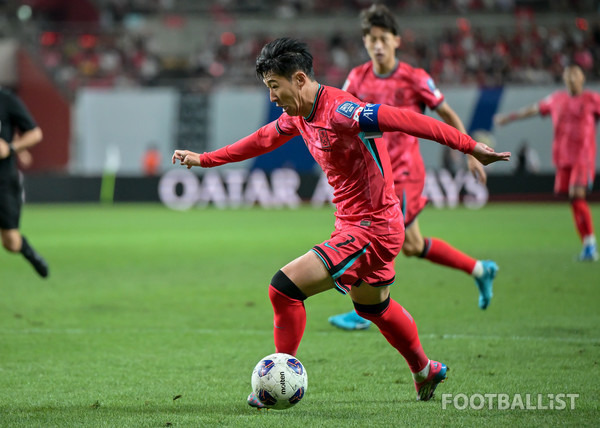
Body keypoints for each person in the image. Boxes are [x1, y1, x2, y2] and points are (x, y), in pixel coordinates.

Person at [172, 38, 510, 405]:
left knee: (283, 288)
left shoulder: (345, 112)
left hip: (372, 228)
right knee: (373, 307)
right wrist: (204, 160)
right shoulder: (299, 116)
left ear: (299, 79)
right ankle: (425, 370)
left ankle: (281, 375)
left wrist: (469, 146)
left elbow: (410, 120)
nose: (272, 98)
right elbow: (261, 140)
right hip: (356, 225)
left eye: (274, 87)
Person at [329, 4, 500, 331]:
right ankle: (480, 269)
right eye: (370, 39)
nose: (377, 45)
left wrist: (469, 152)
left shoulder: (414, 77)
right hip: (375, 175)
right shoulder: (356, 77)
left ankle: (363, 307)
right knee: (412, 245)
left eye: (382, 38)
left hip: (405, 173)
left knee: (377, 236)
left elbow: (446, 113)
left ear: (396, 40)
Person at [495, 64, 599, 261]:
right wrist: (508, 118)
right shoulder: (556, 99)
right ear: (564, 79)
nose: (572, 78)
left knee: (577, 196)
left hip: (583, 157)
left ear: (583, 79)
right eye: (568, 75)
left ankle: (591, 244)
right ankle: (587, 245)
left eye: (576, 75)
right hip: (562, 157)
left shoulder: (592, 99)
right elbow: (532, 110)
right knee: (572, 200)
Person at [0, 87, 49, 278]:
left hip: (3, 180)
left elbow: (35, 133)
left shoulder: (6, 100)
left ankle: (28, 251)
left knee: (11, 242)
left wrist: (11, 148)